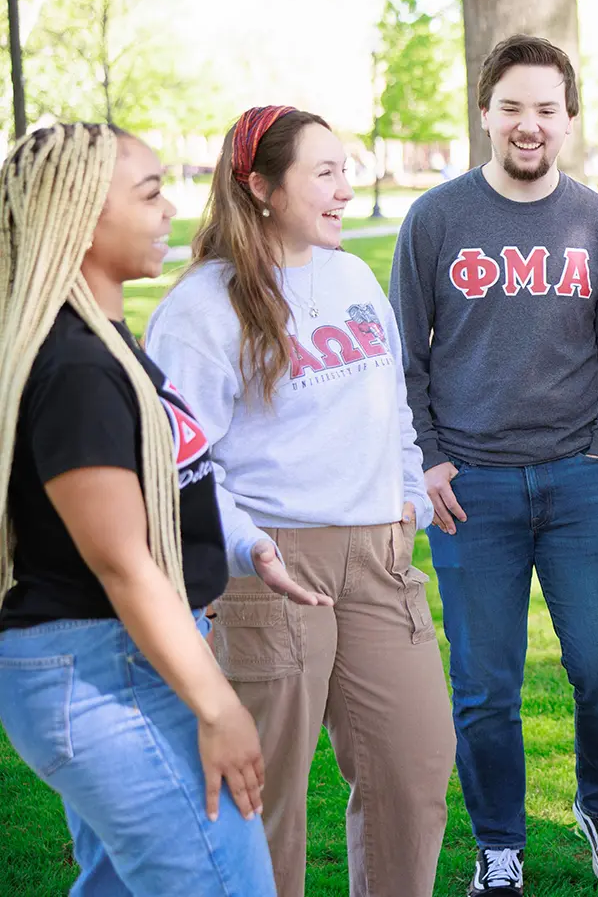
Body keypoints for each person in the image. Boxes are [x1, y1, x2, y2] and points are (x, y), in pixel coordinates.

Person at [144, 106, 454, 897]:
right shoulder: (201, 308)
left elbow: (392, 406)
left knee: (413, 767)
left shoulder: (349, 275)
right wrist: (254, 547)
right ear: (260, 187)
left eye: (346, 168)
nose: (346, 188)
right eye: (325, 172)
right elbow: (179, 466)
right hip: (270, 566)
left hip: (380, 558)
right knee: (263, 798)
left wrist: (409, 498)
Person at [390, 34, 598, 897]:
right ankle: (500, 843)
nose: (528, 125)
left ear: (569, 119)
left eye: (545, 109)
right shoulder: (435, 219)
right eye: (511, 108)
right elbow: (407, 360)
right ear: (486, 113)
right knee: (485, 690)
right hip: (473, 490)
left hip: (580, 481)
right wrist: (427, 461)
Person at [0, 122, 275, 894]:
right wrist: (218, 708)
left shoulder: (106, 345)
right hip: (101, 669)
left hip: (122, 656)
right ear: (83, 215)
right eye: (149, 193)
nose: (170, 210)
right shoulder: (77, 367)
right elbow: (122, 562)